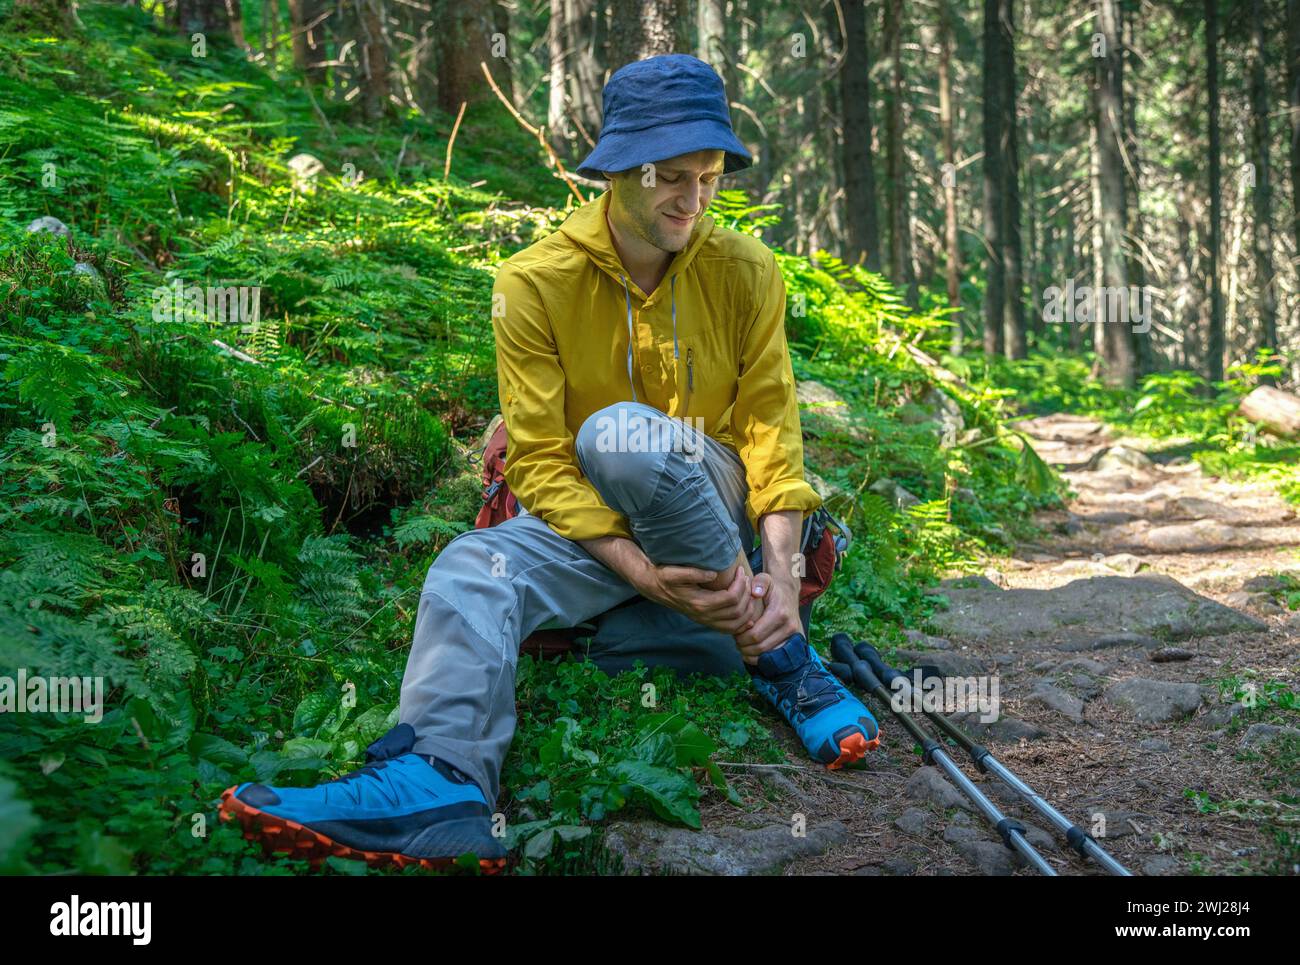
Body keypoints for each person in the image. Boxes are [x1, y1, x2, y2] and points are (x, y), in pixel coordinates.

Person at [220, 54, 879, 872]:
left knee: (618, 436)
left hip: (717, 499)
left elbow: (772, 437)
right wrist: (641, 572)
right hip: (605, 527)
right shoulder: (534, 283)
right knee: (471, 567)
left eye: (709, 177)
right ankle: (443, 777)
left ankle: (778, 643)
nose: (695, 199)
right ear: (616, 172)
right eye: (671, 177)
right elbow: (536, 461)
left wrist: (781, 573)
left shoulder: (746, 270)